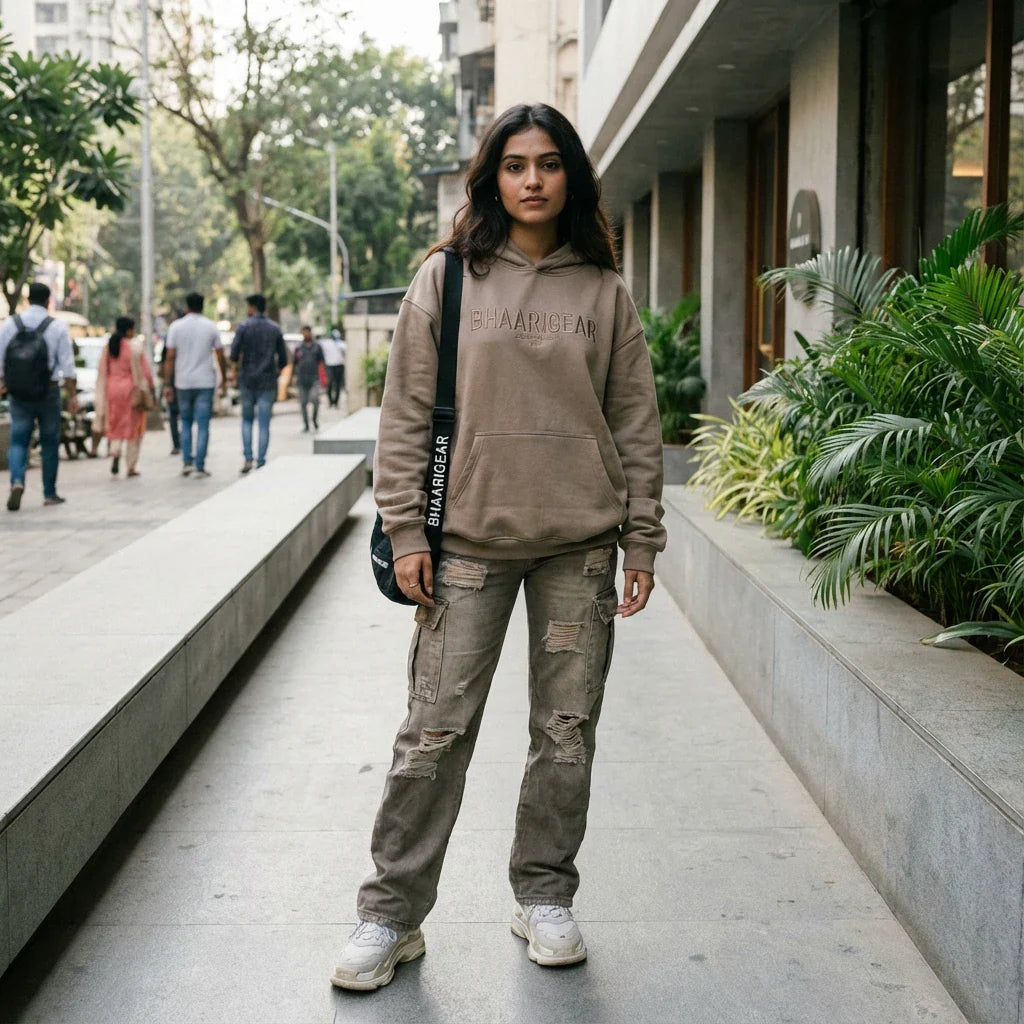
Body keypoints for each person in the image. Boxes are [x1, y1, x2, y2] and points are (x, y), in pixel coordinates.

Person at [330, 103, 665, 991]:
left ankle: (544, 895)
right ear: (492, 177)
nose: (531, 180)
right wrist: (406, 527)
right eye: (514, 164)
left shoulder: (604, 287)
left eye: (548, 164)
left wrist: (642, 541)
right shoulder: (447, 279)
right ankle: (390, 917)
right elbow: (403, 412)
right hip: (466, 547)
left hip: (581, 550)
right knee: (432, 736)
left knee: (565, 735)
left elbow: (635, 421)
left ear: (571, 178)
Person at [0, 282, 78, 510]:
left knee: (18, 440)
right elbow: (68, 367)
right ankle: (49, 493)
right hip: (49, 391)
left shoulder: (9, 325)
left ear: (27, 300)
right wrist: (72, 395)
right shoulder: (57, 327)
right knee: (50, 442)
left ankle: (16, 481)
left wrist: (3, 382)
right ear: (48, 301)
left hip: (19, 392)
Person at [162, 291, 227, 478]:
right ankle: (200, 464)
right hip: (205, 381)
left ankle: (187, 462)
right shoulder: (210, 327)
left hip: (182, 382)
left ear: (187, 306)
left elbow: (170, 356)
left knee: (186, 422)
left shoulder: (176, 327)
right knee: (203, 424)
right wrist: (222, 378)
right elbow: (220, 355)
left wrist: (168, 383)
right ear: (203, 305)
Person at [230, 293, 289, 473]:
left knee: (247, 420)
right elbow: (284, 359)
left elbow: (233, 354)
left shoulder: (243, 327)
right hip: (267, 381)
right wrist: (276, 371)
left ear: (253, 307)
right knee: (264, 423)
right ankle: (261, 461)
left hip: (247, 380)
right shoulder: (274, 328)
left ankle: (248, 458)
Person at [95, 317, 154, 477]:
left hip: (112, 390)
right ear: (129, 329)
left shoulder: (109, 347)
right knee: (134, 427)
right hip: (131, 391)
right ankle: (131, 466)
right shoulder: (134, 347)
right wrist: (151, 387)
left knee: (115, 424)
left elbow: (101, 371)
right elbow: (146, 372)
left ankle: (115, 452)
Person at [293, 325, 325, 432]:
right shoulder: (299, 347)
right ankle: (306, 424)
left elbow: (322, 362)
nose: (305, 334)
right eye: (303, 332)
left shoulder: (317, 346)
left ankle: (314, 420)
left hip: (314, 378)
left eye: (307, 332)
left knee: (315, 400)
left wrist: (324, 377)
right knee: (303, 403)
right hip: (302, 379)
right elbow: (294, 363)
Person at [158, 314, 181, 455]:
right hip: (183, 379)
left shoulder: (172, 333)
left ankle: (177, 444)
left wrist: (166, 382)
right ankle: (183, 443)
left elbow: (166, 358)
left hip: (174, 379)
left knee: (173, 414)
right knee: (185, 415)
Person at [321, 326, 346, 408]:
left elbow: (346, 350)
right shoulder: (326, 343)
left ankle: (336, 402)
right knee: (330, 384)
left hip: (339, 365)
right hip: (330, 366)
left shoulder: (341, 344)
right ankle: (331, 402)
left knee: (338, 385)